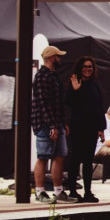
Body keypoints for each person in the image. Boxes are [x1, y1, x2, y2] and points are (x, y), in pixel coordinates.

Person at [32, 46, 75, 203]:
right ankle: (40, 192)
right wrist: (52, 125)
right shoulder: (42, 76)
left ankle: (58, 192)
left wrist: (62, 123)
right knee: (43, 157)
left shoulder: (53, 76)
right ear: (51, 57)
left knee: (59, 156)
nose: (60, 59)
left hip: (56, 123)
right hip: (45, 124)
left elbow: (58, 103)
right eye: (58, 56)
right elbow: (43, 103)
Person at [64, 56, 104, 203]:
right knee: (75, 159)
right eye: (85, 66)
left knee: (88, 161)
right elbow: (68, 103)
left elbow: (100, 107)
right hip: (77, 127)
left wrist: (101, 128)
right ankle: (73, 191)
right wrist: (75, 90)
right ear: (80, 68)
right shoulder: (75, 82)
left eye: (90, 67)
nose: (88, 69)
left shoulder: (95, 84)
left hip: (91, 127)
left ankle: (88, 192)